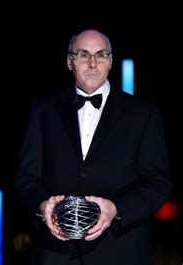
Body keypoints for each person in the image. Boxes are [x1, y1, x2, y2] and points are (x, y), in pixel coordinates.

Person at [14, 29, 172, 265]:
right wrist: (43, 205)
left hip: (121, 253)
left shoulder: (143, 114)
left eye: (100, 55)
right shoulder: (42, 112)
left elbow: (159, 183)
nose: (92, 63)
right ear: (70, 61)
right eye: (83, 55)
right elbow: (26, 178)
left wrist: (115, 209)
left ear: (110, 61)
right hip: (54, 254)